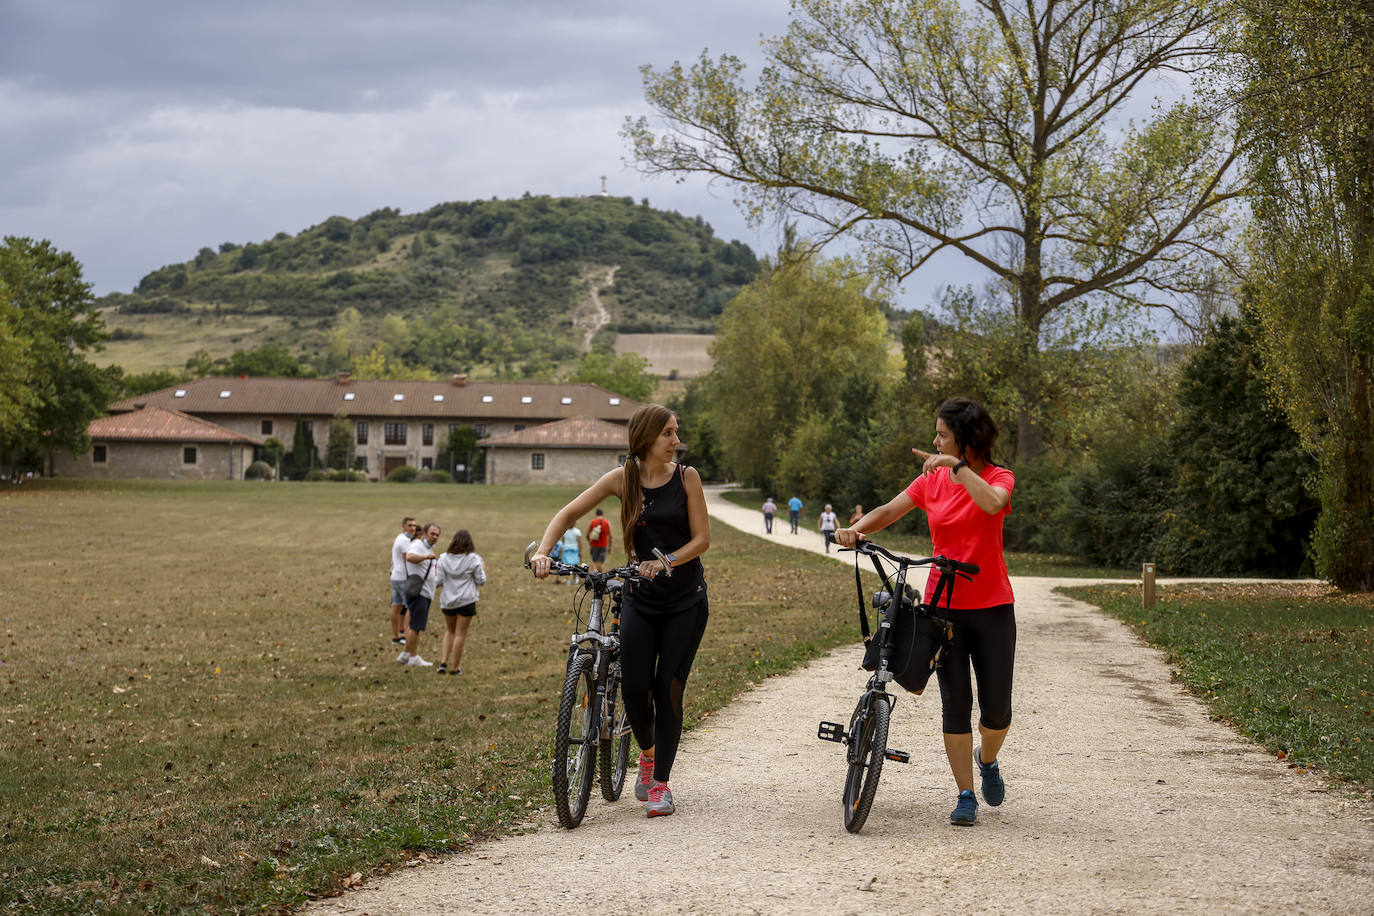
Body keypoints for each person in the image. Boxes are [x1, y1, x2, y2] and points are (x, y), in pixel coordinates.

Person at [834, 397, 1015, 827]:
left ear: (965, 441)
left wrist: (958, 469)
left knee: (997, 712)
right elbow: (889, 510)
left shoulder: (997, 476)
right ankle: (965, 793)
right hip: (942, 609)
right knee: (955, 705)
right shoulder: (929, 483)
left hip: (992, 608)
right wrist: (854, 530)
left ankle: (987, 760)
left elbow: (991, 504)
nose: (933, 441)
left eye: (942, 434)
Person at [529, 404, 710, 819]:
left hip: (685, 601)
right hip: (639, 599)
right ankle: (646, 755)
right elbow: (568, 513)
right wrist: (543, 552)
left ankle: (661, 782)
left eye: (676, 433)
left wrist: (665, 561)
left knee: (668, 688)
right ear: (646, 438)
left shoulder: (687, 478)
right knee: (633, 689)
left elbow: (702, 540)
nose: (676, 441)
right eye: (668, 433)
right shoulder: (622, 479)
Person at [435, 529, 485, 675]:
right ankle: (455, 668)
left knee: (449, 631)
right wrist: (482, 568)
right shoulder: (473, 559)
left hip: (448, 601)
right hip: (466, 600)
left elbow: (438, 580)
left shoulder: (443, 558)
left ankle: (443, 662)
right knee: (460, 634)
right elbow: (481, 580)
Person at [397, 522, 441, 668]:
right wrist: (426, 557)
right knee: (416, 626)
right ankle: (414, 657)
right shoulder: (418, 545)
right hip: (420, 592)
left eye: (437, 535)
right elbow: (410, 557)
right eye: (432, 534)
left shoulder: (426, 548)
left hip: (425, 592)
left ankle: (406, 654)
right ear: (424, 534)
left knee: (413, 624)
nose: (435, 537)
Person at [388, 517, 417, 645]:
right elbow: (407, 561)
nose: (412, 528)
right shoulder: (405, 541)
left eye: (414, 526)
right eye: (410, 525)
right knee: (409, 607)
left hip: (395, 576)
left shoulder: (399, 538)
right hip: (402, 578)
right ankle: (405, 635)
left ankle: (396, 637)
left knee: (396, 606)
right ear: (403, 526)